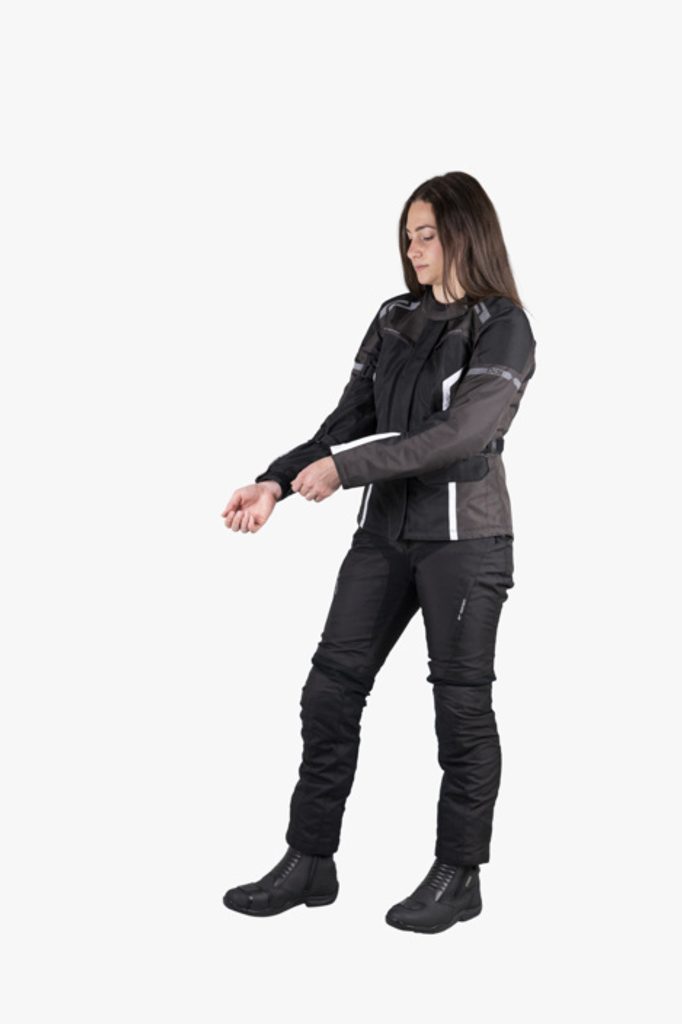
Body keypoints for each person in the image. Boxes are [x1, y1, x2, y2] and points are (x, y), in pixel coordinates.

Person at [220, 170, 537, 934]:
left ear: (466, 234)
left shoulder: (503, 324)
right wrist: (276, 481)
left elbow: (459, 435)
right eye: (408, 235)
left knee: (460, 708)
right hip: (384, 536)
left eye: (428, 234)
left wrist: (347, 470)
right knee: (329, 692)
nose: (414, 248)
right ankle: (310, 861)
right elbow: (348, 419)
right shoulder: (394, 317)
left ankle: (459, 875)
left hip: (466, 540)